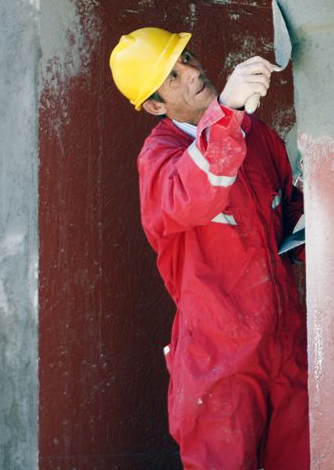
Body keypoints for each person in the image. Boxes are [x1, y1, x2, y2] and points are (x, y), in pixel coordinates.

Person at [109, 27, 309, 470]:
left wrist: (320, 225)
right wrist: (226, 113)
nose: (193, 73)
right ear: (155, 106)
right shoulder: (160, 158)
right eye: (173, 77)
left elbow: (287, 218)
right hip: (218, 360)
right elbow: (197, 190)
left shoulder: (256, 136)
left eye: (189, 59)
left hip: (284, 342)